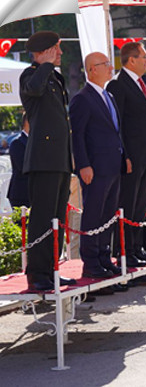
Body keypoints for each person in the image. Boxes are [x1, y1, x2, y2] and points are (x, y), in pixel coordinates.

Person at [19, 31, 76, 291]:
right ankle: (37, 273)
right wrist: (44, 64)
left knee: (57, 219)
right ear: (44, 51)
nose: (61, 54)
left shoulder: (54, 77)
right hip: (43, 159)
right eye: (57, 49)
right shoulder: (31, 75)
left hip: (60, 159)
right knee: (42, 218)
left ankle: (52, 269)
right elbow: (34, 90)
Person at [69, 52, 129, 279]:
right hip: (94, 168)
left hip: (113, 165)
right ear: (92, 69)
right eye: (105, 64)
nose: (111, 67)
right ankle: (91, 261)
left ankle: (104, 257)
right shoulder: (82, 98)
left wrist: (124, 156)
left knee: (108, 215)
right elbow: (78, 136)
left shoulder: (108, 96)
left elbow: (115, 131)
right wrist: (83, 164)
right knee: (93, 214)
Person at [106, 41, 146, 267]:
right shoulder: (118, 85)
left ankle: (137, 248)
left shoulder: (140, 84)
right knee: (127, 204)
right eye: (144, 56)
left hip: (145, 155)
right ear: (131, 60)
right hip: (129, 158)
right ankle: (125, 250)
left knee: (140, 205)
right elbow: (116, 124)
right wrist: (124, 155)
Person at [7, 112, 30, 208]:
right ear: (27, 122)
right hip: (21, 194)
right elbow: (22, 166)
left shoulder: (35, 142)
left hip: (32, 193)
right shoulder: (17, 142)